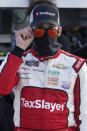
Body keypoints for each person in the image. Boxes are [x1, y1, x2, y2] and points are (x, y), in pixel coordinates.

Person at [0, 1, 87, 131]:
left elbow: (84, 113)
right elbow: (2, 89)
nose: (46, 34)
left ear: (59, 31)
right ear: (31, 30)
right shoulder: (17, 60)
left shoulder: (76, 65)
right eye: (39, 30)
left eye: (51, 30)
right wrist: (18, 49)